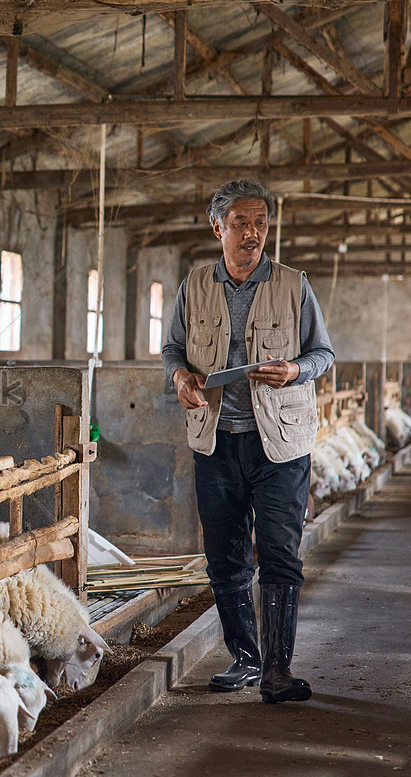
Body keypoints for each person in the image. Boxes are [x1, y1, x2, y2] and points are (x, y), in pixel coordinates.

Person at [160, 179, 335, 704]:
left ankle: (278, 671)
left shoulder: (293, 284)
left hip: (279, 444)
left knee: (280, 554)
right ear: (218, 227)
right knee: (225, 557)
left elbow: (324, 354)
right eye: (241, 223)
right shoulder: (194, 285)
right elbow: (172, 348)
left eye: (261, 223)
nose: (253, 233)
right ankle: (245, 660)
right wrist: (181, 378)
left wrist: (296, 370)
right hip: (216, 442)